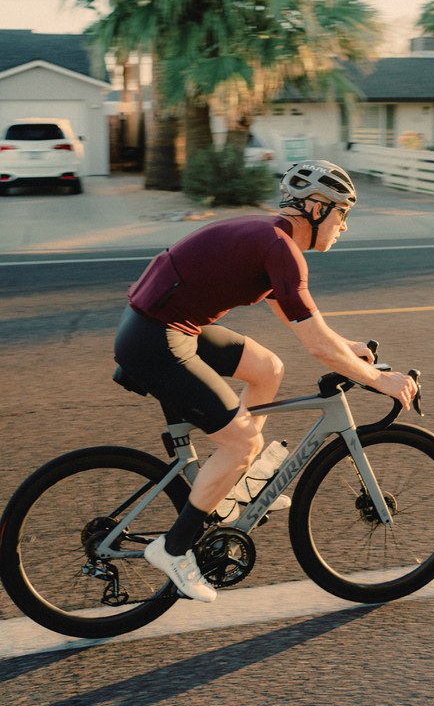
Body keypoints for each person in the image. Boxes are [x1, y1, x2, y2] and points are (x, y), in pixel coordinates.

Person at [114, 159, 417, 603]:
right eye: (342, 214)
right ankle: (174, 549)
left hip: (165, 325)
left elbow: (304, 321)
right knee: (242, 444)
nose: (344, 227)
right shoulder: (280, 249)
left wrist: (345, 346)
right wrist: (379, 380)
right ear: (316, 208)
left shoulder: (271, 240)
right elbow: (315, 345)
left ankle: (234, 485)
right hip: (156, 340)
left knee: (267, 368)